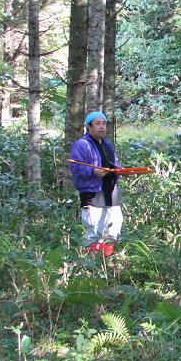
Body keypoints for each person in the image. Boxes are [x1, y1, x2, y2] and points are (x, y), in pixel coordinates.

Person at [69, 112, 123, 261]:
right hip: (92, 192)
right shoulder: (82, 145)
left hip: (110, 190)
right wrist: (93, 171)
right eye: (98, 123)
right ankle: (91, 264)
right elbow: (75, 168)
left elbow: (113, 163)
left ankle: (106, 261)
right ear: (89, 126)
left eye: (104, 123)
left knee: (114, 225)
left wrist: (120, 170)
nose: (101, 127)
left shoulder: (107, 144)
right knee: (94, 228)